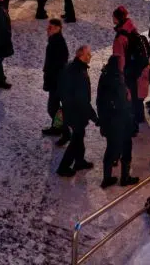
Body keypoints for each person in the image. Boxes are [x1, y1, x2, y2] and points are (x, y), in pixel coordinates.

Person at [98, 52, 137, 188]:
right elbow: (122, 103)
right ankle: (125, 178)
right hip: (120, 122)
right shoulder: (116, 80)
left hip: (110, 122)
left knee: (111, 150)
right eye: (122, 62)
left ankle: (107, 178)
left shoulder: (105, 76)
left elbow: (100, 102)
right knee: (126, 148)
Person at [56, 44, 96, 176]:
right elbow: (83, 100)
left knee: (79, 136)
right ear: (81, 56)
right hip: (76, 113)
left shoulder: (70, 67)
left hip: (69, 110)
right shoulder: (80, 74)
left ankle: (79, 161)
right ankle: (63, 167)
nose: (90, 56)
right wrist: (94, 117)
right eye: (88, 54)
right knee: (76, 139)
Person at [42, 18, 69, 138]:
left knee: (53, 108)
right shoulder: (54, 40)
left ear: (58, 29)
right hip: (55, 79)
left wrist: (51, 75)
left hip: (56, 81)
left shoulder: (58, 43)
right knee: (55, 107)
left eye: (50, 28)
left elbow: (59, 63)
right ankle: (57, 128)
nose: (47, 30)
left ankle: (64, 131)